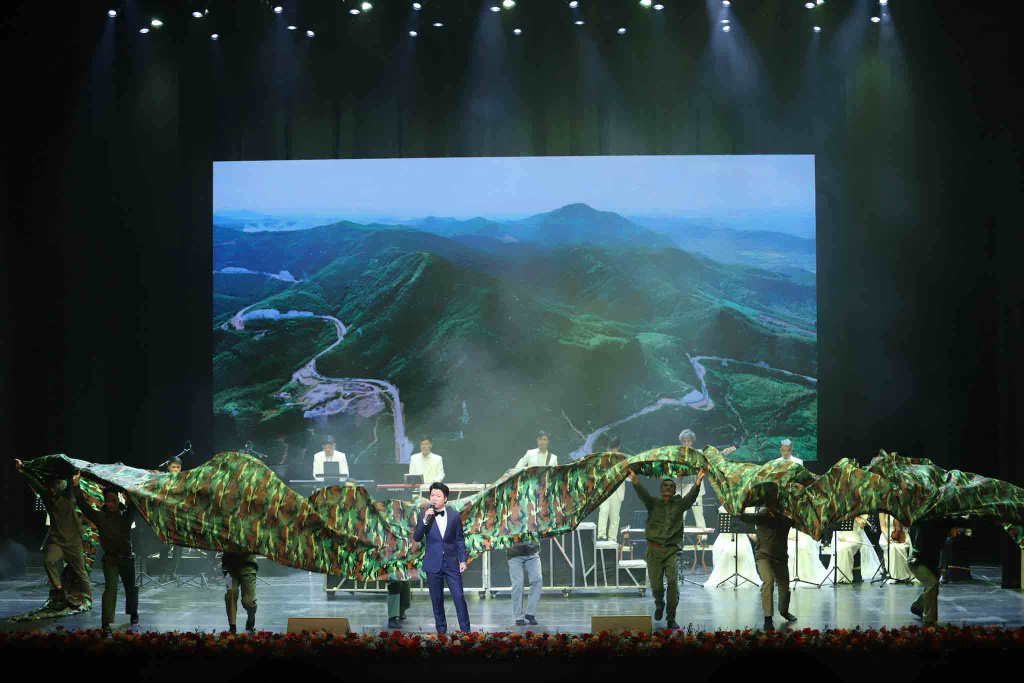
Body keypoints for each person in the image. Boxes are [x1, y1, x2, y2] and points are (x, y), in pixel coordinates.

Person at [627, 466, 705, 630]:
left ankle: (671, 618)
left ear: (675, 490)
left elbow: (691, 497)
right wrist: (634, 480)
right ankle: (659, 603)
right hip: (653, 550)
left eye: (671, 486)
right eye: (665, 485)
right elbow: (643, 494)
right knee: (656, 586)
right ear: (661, 489)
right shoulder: (653, 503)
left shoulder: (680, 504)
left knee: (672, 582)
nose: (668, 488)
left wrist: (697, 482)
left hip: (671, 551)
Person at [14, 458, 92, 611]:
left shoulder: (67, 497)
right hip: (58, 541)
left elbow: (70, 485)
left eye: (54, 488)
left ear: (59, 488)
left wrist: (72, 473)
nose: (51, 491)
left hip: (73, 540)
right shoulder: (47, 497)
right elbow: (36, 483)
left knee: (80, 571)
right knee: (48, 561)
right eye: (50, 488)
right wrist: (22, 470)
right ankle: (59, 590)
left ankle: (88, 599)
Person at [505, 431, 556, 626]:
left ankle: (530, 613)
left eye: (545, 439)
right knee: (517, 584)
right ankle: (518, 616)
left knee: (537, 579)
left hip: (532, 550)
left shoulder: (553, 459)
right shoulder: (513, 503)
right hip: (515, 552)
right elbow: (516, 469)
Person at [75, 485, 139, 632]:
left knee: (131, 588)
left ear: (118, 499)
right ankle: (106, 622)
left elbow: (136, 502)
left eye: (114, 500)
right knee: (110, 589)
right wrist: (76, 486)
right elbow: (83, 505)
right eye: (108, 501)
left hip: (127, 558)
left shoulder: (126, 515)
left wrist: (128, 492)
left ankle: (133, 612)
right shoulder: (100, 517)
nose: (111, 504)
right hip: (110, 559)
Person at [413, 482, 470, 633]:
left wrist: (463, 560)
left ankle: (466, 632)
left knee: (459, 597)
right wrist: (425, 520)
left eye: (438, 496)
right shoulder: (424, 515)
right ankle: (441, 633)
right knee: (437, 601)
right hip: (433, 563)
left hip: (451, 563)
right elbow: (417, 537)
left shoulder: (454, 515)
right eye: (432, 495)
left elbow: (459, 539)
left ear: (445, 498)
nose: (434, 498)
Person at [738, 507, 798, 631]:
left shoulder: (785, 518)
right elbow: (743, 517)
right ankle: (768, 618)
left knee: (784, 587)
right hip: (763, 557)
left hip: (780, 558)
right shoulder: (761, 516)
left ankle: (784, 611)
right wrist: (737, 508)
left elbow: (802, 525)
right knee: (768, 581)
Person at [908, 519, 954, 625]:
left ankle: (918, 607)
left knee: (933, 586)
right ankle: (929, 619)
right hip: (917, 561)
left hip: (931, 562)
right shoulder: (925, 524)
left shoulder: (944, 523)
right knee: (932, 583)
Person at [704, 506, 762, 589]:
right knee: (721, 549)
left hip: (740, 536)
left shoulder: (745, 506)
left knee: (740, 549)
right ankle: (724, 577)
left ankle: (741, 576)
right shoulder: (724, 505)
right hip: (725, 536)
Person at [158, 456, 184, 582]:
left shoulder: (184, 481)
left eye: (178, 467)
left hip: (179, 518)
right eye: (173, 467)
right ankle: (163, 572)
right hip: (165, 518)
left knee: (178, 548)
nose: (176, 469)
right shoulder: (163, 480)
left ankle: (173, 572)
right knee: (164, 547)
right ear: (169, 467)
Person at [596, 437, 626, 542]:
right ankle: (601, 536)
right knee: (603, 511)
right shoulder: (603, 458)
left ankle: (612, 539)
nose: (612, 450)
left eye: (614, 448)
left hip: (617, 491)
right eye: (610, 448)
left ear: (618, 447)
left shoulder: (624, 459)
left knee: (615, 516)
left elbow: (628, 477)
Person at [222, 550, 258, 634]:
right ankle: (232, 627)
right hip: (230, 566)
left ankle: (251, 619)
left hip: (248, 565)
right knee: (231, 593)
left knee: (249, 602)